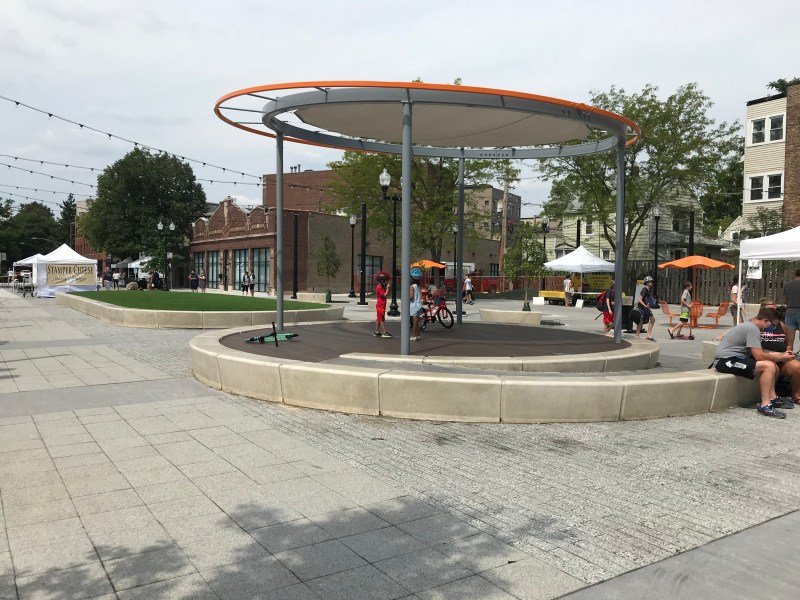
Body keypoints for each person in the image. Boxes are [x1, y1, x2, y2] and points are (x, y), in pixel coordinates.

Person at [713, 307, 795, 418]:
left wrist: (782, 355)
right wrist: (781, 358)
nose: (773, 328)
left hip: (737, 358)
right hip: (726, 361)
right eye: (773, 325)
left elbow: (761, 351)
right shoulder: (752, 329)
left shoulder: (751, 326)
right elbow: (759, 356)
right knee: (769, 366)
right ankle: (765, 405)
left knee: (773, 366)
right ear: (765, 320)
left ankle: (772, 398)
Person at [782, 269, 800, 353]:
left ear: (795, 275)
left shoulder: (787, 285)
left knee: (790, 338)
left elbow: (784, 301)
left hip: (790, 311)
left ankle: (789, 355)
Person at [635, 276, 657, 341]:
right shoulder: (644, 289)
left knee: (652, 320)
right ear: (646, 282)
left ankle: (648, 335)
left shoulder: (648, 290)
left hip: (646, 308)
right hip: (642, 308)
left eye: (651, 281)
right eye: (649, 281)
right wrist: (645, 305)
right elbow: (639, 299)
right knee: (640, 321)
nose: (651, 282)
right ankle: (637, 335)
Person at [373, 272, 391, 338]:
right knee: (381, 319)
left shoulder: (381, 286)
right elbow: (385, 295)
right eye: (385, 280)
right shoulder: (379, 287)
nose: (386, 282)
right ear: (382, 280)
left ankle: (376, 331)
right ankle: (384, 332)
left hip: (381, 304)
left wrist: (386, 286)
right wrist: (388, 288)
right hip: (380, 305)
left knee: (378, 319)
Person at [410, 267, 423, 341]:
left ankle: (414, 335)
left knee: (414, 322)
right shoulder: (419, 286)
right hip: (419, 305)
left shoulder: (412, 286)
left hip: (413, 305)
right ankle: (418, 335)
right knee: (418, 322)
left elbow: (411, 296)